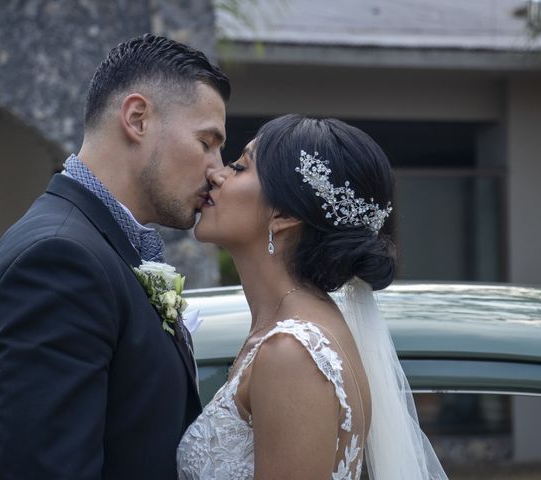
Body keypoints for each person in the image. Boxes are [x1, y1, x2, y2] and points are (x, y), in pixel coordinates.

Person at [0, 33, 230, 479]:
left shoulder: (98, 249)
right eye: (206, 142)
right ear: (137, 118)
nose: (217, 169)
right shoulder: (58, 261)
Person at [177, 115, 447, 479]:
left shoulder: (292, 352)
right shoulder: (295, 329)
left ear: (285, 214)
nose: (217, 174)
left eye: (239, 167)